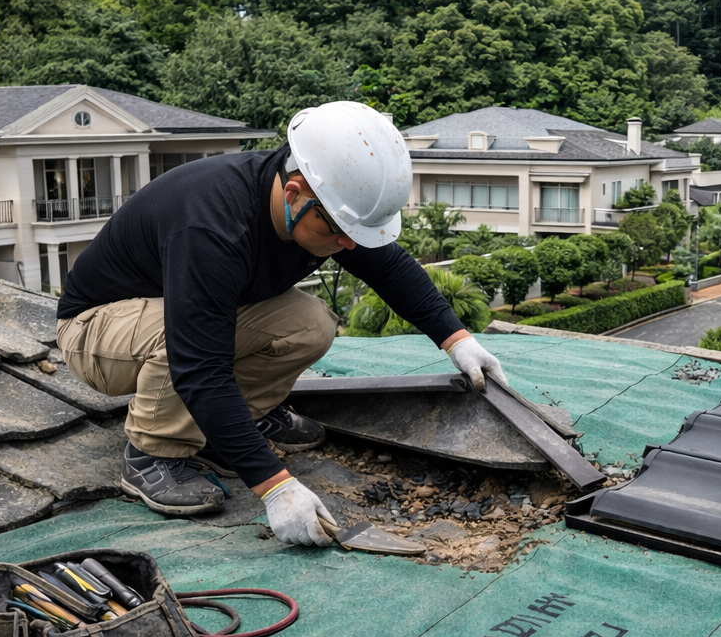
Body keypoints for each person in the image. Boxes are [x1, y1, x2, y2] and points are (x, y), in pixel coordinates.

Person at [55, 101, 510, 545]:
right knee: (196, 341)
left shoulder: (319, 199)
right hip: (96, 328)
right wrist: (275, 487)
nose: (349, 245)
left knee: (310, 321)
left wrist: (457, 341)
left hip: (174, 306)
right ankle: (152, 452)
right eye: (339, 232)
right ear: (294, 194)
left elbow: (388, 267)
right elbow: (200, 366)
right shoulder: (212, 226)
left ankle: (221, 431)